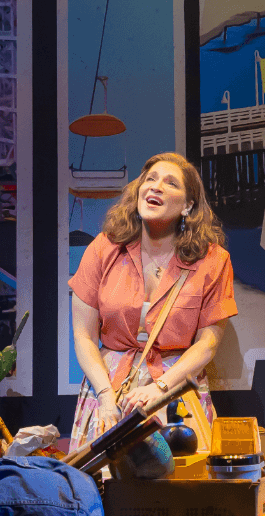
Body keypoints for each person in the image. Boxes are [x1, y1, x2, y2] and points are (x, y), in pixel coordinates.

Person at [68, 152, 237, 449]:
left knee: (177, 487)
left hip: (176, 388)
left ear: (188, 206)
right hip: (108, 387)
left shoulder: (213, 260)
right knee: (103, 485)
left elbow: (208, 343)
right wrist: (106, 395)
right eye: (150, 179)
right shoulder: (103, 249)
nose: (156, 187)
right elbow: (83, 336)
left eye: (170, 183)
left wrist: (161, 387)